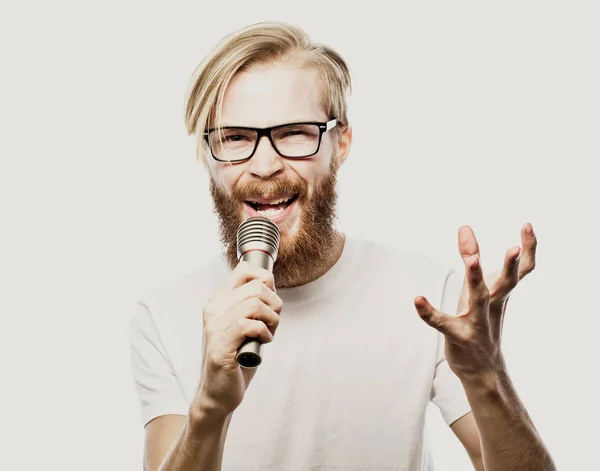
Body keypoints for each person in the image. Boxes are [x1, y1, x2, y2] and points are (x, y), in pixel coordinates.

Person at [129, 21, 556, 471]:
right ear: (206, 154)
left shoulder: (428, 295)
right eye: (235, 137)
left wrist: (486, 377)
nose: (265, 165)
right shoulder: (162, 315)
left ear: (341, 143)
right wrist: (209, 409)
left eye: (295, 132)